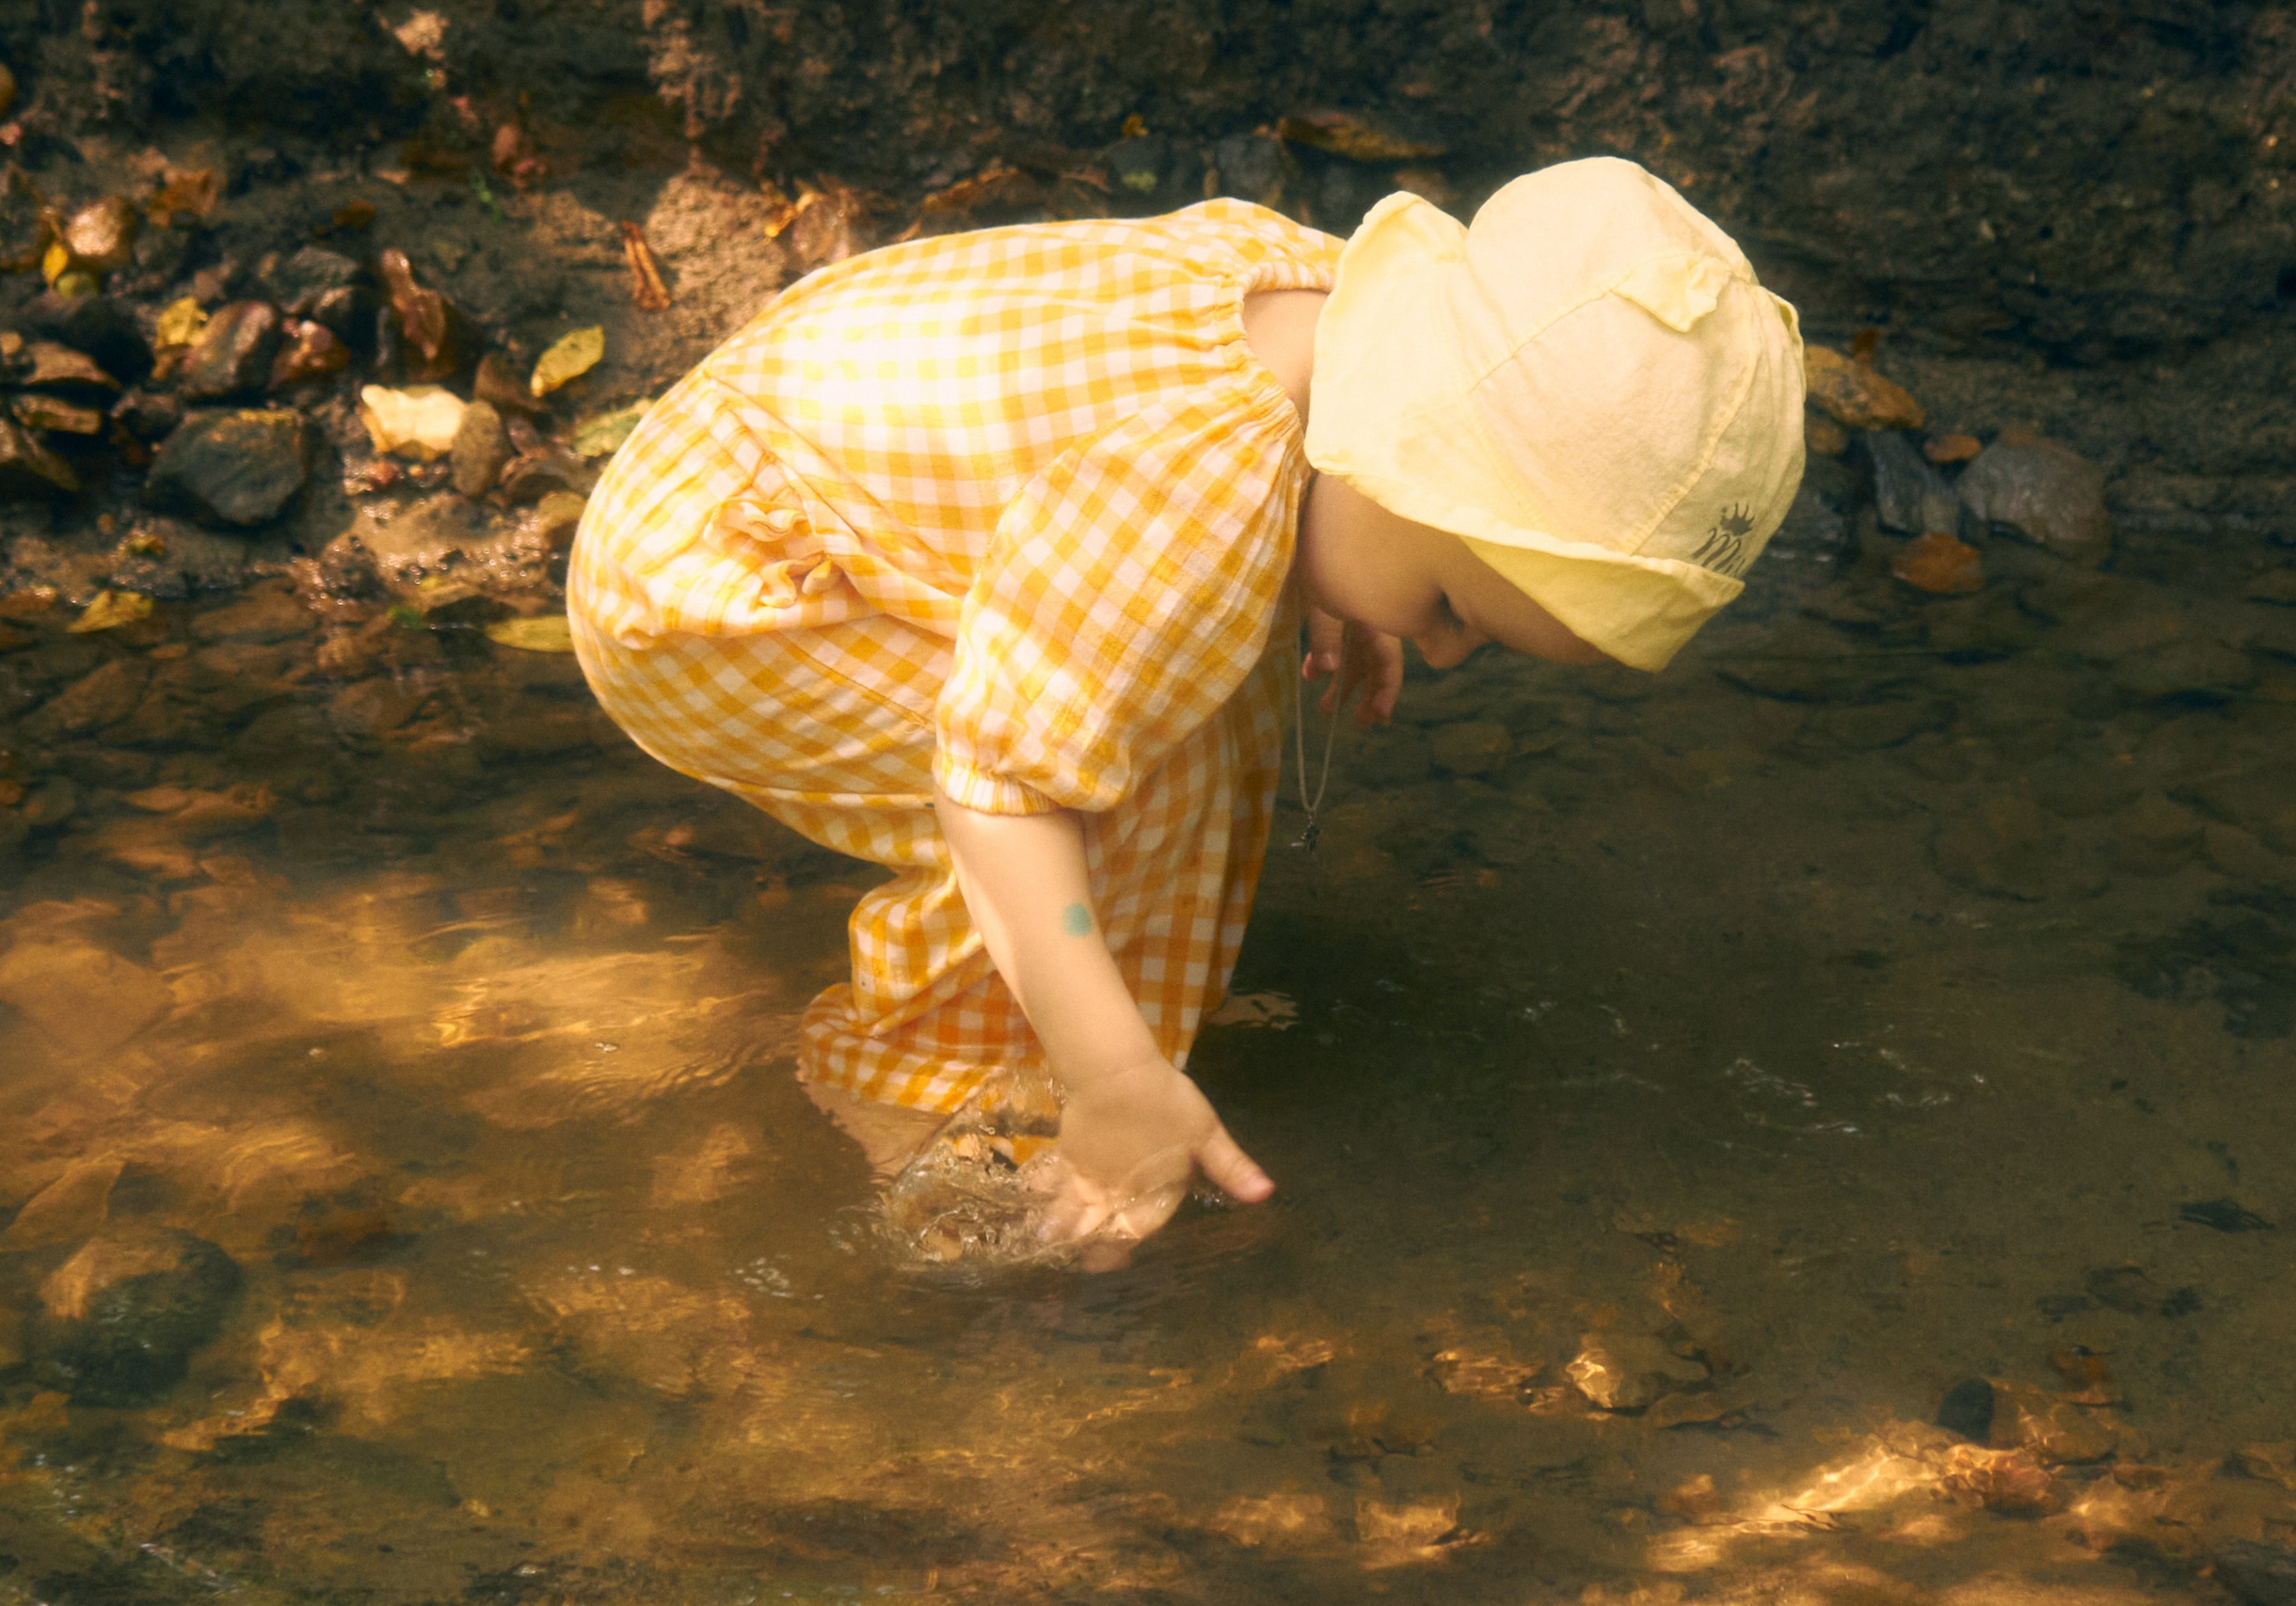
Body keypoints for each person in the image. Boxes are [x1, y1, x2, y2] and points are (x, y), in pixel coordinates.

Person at [566, 155, 1806, 1266]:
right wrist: (1110, 1072)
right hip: (722, 582)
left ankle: (1112, 1034)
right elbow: (1000, 790)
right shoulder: (1186, 496)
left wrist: (1356, 584)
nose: (1442, 653)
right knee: (1114, 779)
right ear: (1404, 465)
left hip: (791, 453)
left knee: (1180, 683)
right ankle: (919, 1084)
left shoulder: (1344, 320)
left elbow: (1272, 514)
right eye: (1446, 603)